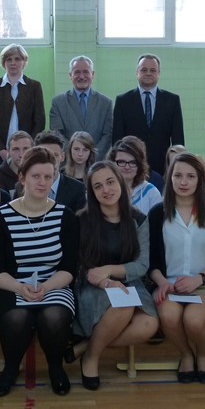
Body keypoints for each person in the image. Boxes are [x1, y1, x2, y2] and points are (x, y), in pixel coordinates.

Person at [0, 147, 79, 398]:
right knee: (18, 318)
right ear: (22, 177)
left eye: (48, 176)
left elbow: (69, 268)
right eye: (36, 176)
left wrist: (46, 287)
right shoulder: (2, 217)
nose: (42, 182)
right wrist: (19, 287)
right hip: (10, 286)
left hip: (53, 285)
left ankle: (56, 368)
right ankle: (10, 369)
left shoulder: (64, 216)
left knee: (54, 317)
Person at [71, 161, 158, 390]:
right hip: (92, 284)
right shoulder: (82, 219)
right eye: (98, 186)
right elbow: (81, 265)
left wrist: (109, 270)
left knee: (149, 324)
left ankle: (87, 347)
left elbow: (142, 265)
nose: (106, 190)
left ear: (120, 182)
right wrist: (105, 280)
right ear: (92, 192)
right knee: (123, 306)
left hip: (129, 280)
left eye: (110, 182)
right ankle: (91, 360)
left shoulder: (138, 219)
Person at [149, 153, 205, 384]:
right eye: (178, 175)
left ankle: (202, 355)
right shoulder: (157, 213)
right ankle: (185, 354)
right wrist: (162, 282)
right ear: (169, 178)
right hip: (169, 285)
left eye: (191, 176)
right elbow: (152, 261)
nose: (183, 182)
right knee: (169, 316)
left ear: (201, 179)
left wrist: (198, 279)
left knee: (194, 319)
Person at [112, 53, 184, 176]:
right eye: (144, 70)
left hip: (163, 167)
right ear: (137, 72)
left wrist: (177, 165)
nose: (148, 73)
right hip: (131, 165)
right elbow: (117, 138)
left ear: (159, 73)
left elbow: (178, 138)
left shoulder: (172, 100)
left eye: (153, 70)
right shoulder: (123, 101)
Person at [0, 44, 45, 163]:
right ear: (3, 63)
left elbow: (39, 121)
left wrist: (28, 148)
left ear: (24, 62)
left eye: (17, 59)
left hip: (28, 152)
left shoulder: (34, 86)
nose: (13, 63)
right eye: (8, 59)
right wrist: (0, 150)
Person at [49, 55, 114, 159]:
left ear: (92, 74)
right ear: (70, 75)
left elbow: (108, 135)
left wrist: (92, 157)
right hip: (68, 163)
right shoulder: (58, 102)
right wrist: (75, 155)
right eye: (77, 72)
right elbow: (57, 134)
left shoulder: (106, 103)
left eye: (86, 72)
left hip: (96, 162)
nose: (82, 76)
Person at [32, 130, 87, 213]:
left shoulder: (77, 189)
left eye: (55, 155)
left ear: (62, 156)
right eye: (44, 155)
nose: (50, 160)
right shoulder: (23, 187)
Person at [109, 136, 161, 214]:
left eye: (132, 162)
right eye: (121, 162)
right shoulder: (105, 190)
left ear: (140, 165)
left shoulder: (151, 193)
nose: (127, 167)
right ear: (112, 163)